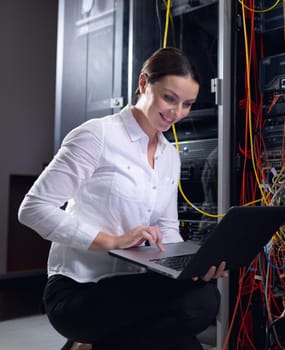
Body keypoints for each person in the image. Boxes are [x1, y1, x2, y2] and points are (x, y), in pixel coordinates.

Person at [18, 47, 227, 350]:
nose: (177, 112)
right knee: (173, 332)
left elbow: (167, 227)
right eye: (170, 98)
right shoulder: (97, 135)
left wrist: (191, 265)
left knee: (205, 297)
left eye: (187, 104)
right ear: (144, 83)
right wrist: (110, 241)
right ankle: (87, 338)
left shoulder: (170, 156)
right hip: (81, 288)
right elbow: (33, 208)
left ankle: (89, 345)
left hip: (137, 287)